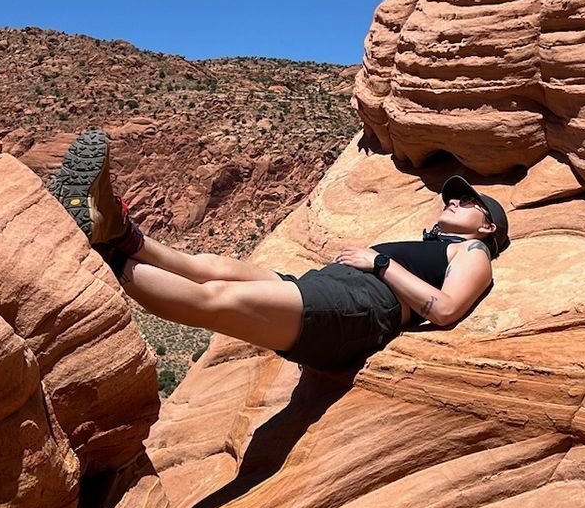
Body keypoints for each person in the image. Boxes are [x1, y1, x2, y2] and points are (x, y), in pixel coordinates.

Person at [48, 129, 507, 373]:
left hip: (362, 308)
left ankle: (104, 254)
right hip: (335, 290)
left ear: (487, 225)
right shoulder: (441, 243)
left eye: (469, 201)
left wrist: (380, 262)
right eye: (456, 194)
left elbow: (445, 309)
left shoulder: (475, 254)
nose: (456, 199)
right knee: (211, 268)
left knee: (216, 301)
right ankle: (120, 232)